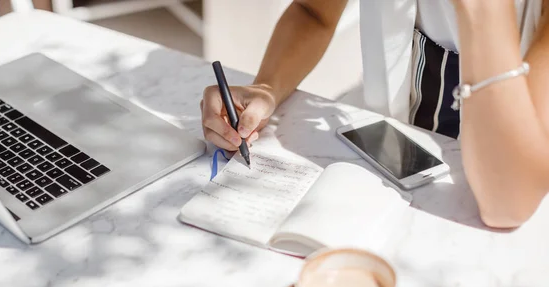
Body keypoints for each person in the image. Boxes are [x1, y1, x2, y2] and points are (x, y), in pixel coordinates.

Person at [200, 0, 549, 229]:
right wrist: (267, 88)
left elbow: (508, 205)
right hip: (386, 163)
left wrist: (483, 12)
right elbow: (314, 12)